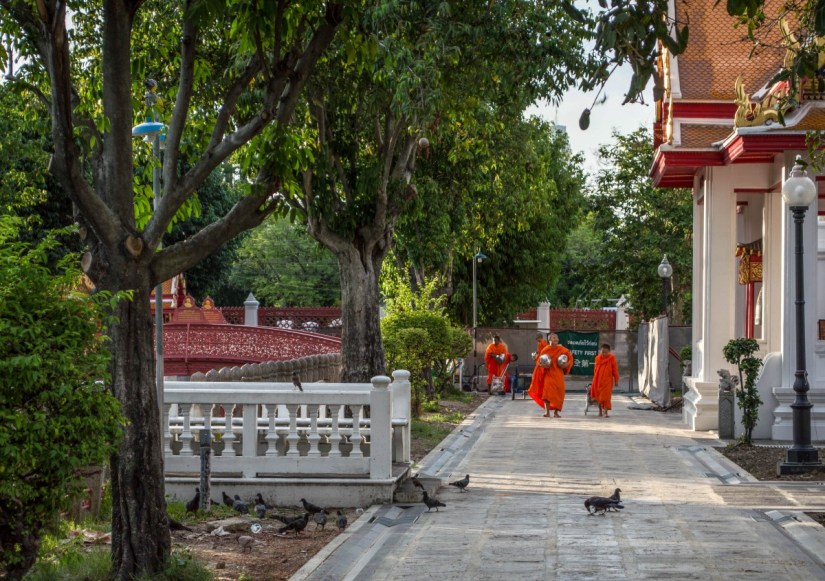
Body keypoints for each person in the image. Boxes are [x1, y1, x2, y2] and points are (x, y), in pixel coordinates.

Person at [528, 333, 574, 417]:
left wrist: (566, 364)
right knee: (546, 394)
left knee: (559, 394)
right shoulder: (545, 349)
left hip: (558, 375)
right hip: (548, 374)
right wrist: (541, 365)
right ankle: (547, 412)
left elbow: (570, 358)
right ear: (549, 339)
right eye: (554, 338)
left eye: (557, 338)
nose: (556, 339)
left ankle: (556, 412)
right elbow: (539, 361)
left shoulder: (562, 349)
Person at [591, 343, 619, 417]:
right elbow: (595, 370)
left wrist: (616, 380)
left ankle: (606, 412)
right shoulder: (597, 358)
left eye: (606, 352)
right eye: (602, 352)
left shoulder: (612, 358)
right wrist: (594, 379)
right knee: (598, 397)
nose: (604, 354)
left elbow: (615, 370)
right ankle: (600, 411)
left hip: (607, 381)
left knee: (606, 397)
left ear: (609, 351)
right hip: (598, 380)